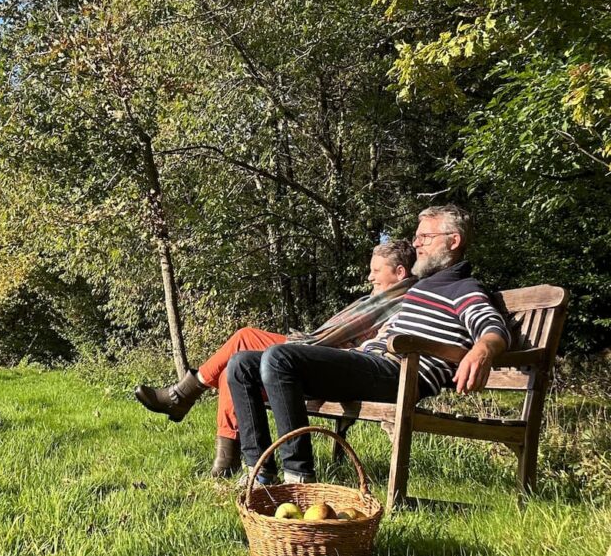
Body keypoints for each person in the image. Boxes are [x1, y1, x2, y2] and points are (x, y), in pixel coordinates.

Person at [228, 205, 510, 485]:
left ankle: (298, 478)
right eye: (416, 236)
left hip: (401, 374)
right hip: (376, 364)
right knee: (242, 364)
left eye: (425, 237)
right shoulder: (425, 287)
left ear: (454, 240)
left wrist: (483, 349)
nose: (416, 244)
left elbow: (491, 327)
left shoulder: (463, 288)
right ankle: (261, 473)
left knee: (280, 358)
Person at [134, 239, 416, 476]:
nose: (370, 277)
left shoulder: (404, 301)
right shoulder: (380, 300)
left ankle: (184, 396)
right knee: (235, 364)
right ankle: (224, 458)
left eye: (376, 270)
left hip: (333, 363)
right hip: (324, 355)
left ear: (400, 272)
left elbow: (370, 348)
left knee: (244, 338)